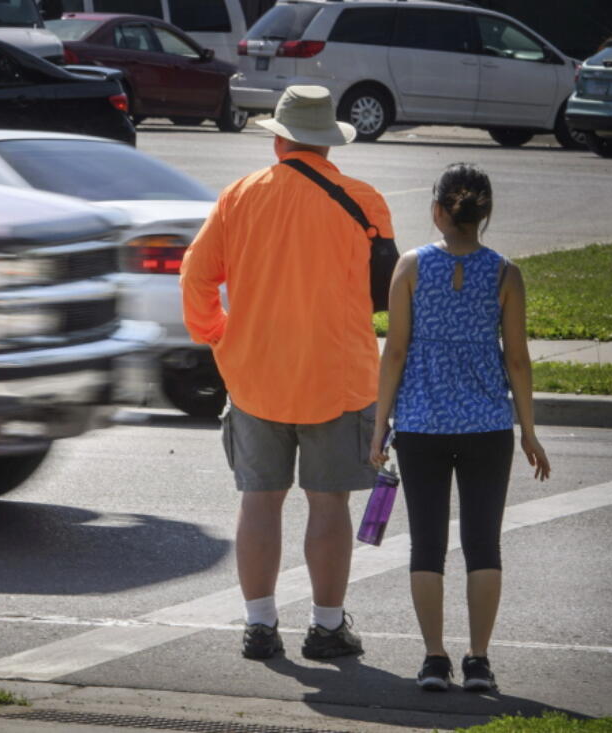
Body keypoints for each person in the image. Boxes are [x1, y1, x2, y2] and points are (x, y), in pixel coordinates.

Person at [180, 85, 393, 661]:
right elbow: (383, 293)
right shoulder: (365, 200)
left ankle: (259, 625)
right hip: (338, 375)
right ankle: (326, 628)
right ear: (328, 141)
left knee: (260, 500)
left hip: (255, 375)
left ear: (278, 138)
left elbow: (196, 278)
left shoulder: (239, 196)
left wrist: (217, 333)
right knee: (329, 505)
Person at [368, 163, 551, 692]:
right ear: (485, 213)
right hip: (488, 426)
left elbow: (395, 350)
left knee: (426, 543)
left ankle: (432, 660)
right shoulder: (504, 274)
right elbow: (517, 359)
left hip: (422, 423)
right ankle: (478, 661)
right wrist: (529, 430)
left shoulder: (410, 267)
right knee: (482, 544)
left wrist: (381, 425)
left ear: (437, 210)